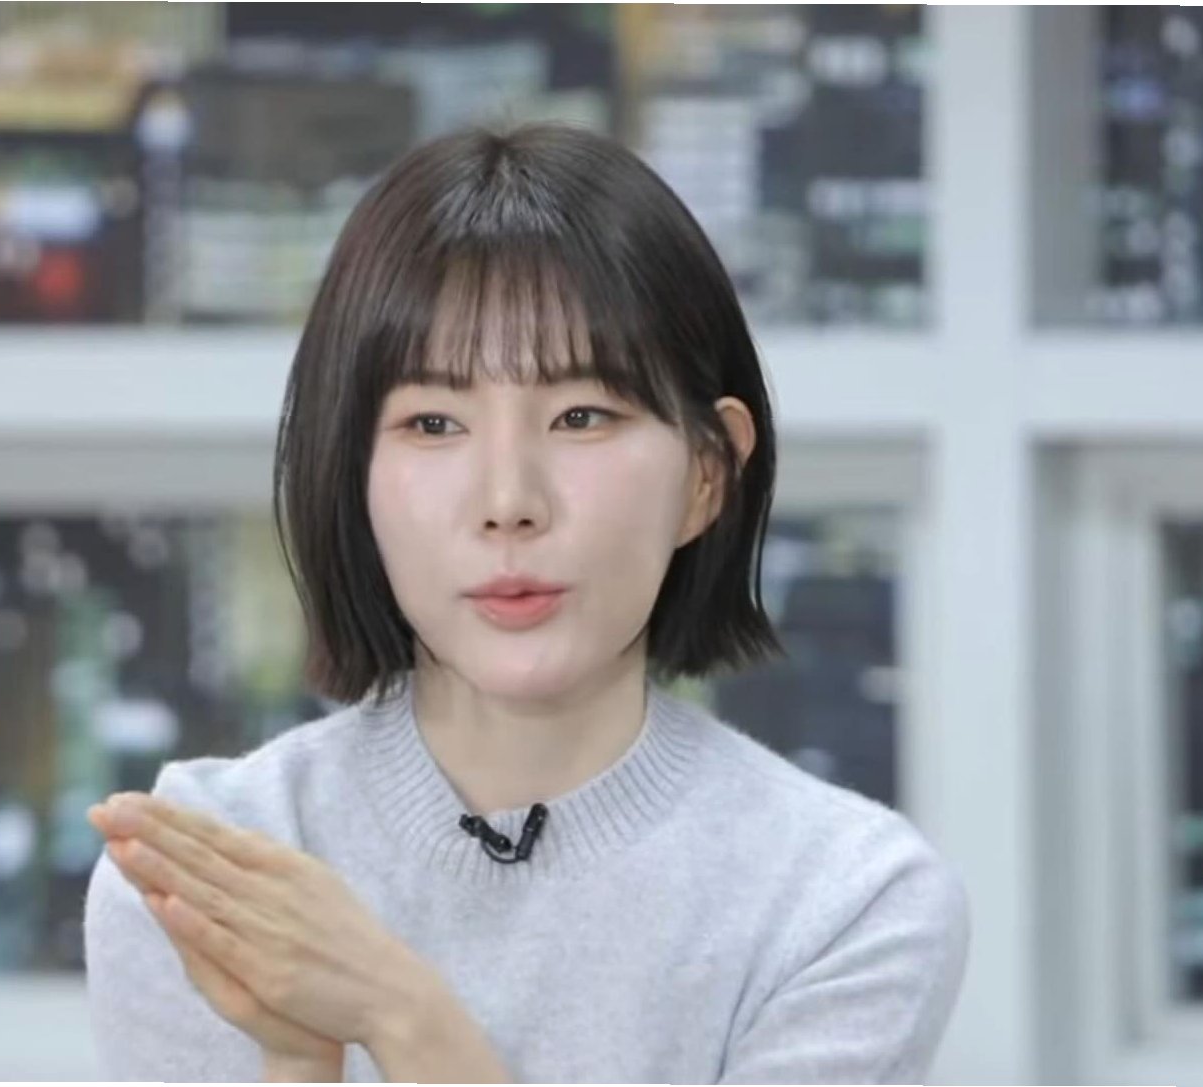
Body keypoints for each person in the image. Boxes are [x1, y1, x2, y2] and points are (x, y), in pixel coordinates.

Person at [83, 121, 971, 1084]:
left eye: (581, 416)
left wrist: (401, 1013)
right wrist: (298, 1061)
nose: (508, 501)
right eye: (433, 422)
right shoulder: (211, 867)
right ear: (352, 474)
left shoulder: (844, 899)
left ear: (707, 473)